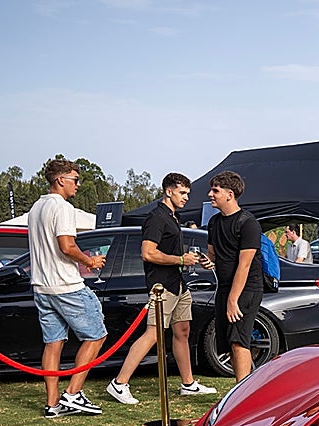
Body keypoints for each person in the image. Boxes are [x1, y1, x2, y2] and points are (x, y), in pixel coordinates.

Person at [105, 173, 217, 405]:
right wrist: (180, 259)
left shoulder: (173, 217)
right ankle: (119, 383)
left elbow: (172, 252)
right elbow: (148, 253)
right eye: (182, 193)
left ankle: (188, 384)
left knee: (182, 331)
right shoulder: (156, 217)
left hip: (178, 284)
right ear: (168, 191)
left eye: (187, 193)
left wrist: (195, 260)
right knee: (152, 334)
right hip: (161, 286)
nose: (186, 197)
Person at [27, 158, 107, 418]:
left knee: (53, 343)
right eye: (75, 179)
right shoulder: (62, 207)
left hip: (42, 287)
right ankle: (73, 394)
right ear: (60, 180)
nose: (78, 185)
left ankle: (53, 404)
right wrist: (90, 261)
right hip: (66, 285)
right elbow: (67, 246)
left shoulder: (36, 208)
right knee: (96, 336)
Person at [205, 170, 263, 381]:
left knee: (239, 340)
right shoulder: (214, 222)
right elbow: (213, 255)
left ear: (230, 194)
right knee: (229, 343)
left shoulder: (248, 223)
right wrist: (206, 260)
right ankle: (244, 387)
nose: (210, 194)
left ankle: (243, 393)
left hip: (247, 288)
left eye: (215, 190)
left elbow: (244, 265)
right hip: (225, 287)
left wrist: (233, 300)